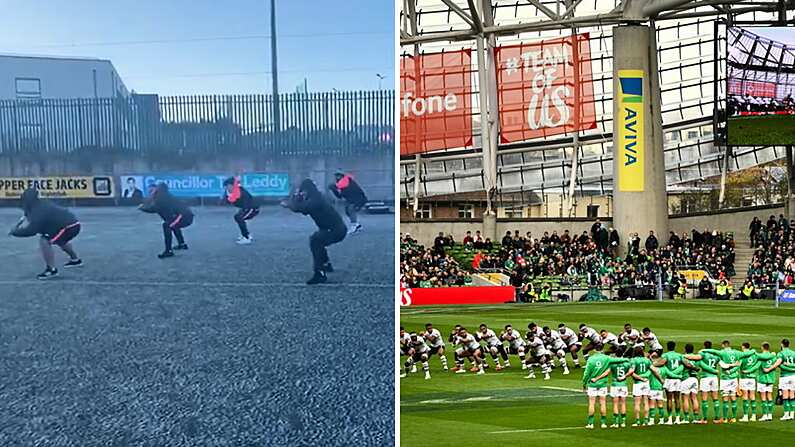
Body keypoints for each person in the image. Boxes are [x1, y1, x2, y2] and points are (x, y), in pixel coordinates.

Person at [282, 179, 347, 284]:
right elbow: (304, 209)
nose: (302, 193)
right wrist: (295, 200)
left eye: (303, 191)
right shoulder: (316, 196)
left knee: (315, 241)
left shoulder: (316, 199)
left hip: (336, 231)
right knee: (317, 239)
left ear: (307, 190)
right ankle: (325, 264)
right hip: (334, 229)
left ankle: (319, 273)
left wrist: (290, 204)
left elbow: (304, 208)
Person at [8, 188, 82, 279]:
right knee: (59, 239)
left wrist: (16, 232)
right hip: (70, 224)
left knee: (44, 240)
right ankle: (75, 260)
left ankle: (51, 270)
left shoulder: (38, 211)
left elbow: (32, 230)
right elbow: (29, 217)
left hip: (69, 226)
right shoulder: (38, 204)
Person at [138, 182, 194, 259]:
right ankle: (182, 244)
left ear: (157, 190)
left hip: (183, 216)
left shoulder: (160, 198)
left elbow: (153, 208)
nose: (150, 193)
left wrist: (142, 208)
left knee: (167, 225)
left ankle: (168, 251)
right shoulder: (164, 196)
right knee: (172, 224)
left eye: (152, 191)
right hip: (186, 215)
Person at [763, 338, 795, 420]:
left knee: (785, 395)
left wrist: (769, 369)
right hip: (793, 376)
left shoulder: (781, 353)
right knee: (792, 395)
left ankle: (786, 414)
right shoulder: (793, 353)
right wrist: (790, 367)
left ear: (781, 344)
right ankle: (792, 414)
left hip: (785, 376)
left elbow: (777, 364)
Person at [223, 176, 260, 245]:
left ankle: (246, 237)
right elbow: (226, 201)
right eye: (226, 186)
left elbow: (247, 203)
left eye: (228, 186)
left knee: (239, 217)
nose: (227, 188)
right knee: (239, 218)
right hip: (245, 208)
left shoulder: (241, 191)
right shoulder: (228, 192)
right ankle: (246, 235)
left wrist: (243, 211)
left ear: (233, 185)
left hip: (253, 208)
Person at [328, 170, 367, 235]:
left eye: (339, 175)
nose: (337, 177)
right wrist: (334, 190)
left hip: (359, 198)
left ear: (342, 176)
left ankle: (354, 226)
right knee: (347, 211)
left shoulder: (346, 180)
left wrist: (334, 187)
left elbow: (342, 186)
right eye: (336, 175)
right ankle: (357, 225)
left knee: (351, 209)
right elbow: (339, 196)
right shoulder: (340, 184)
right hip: (351, 199)